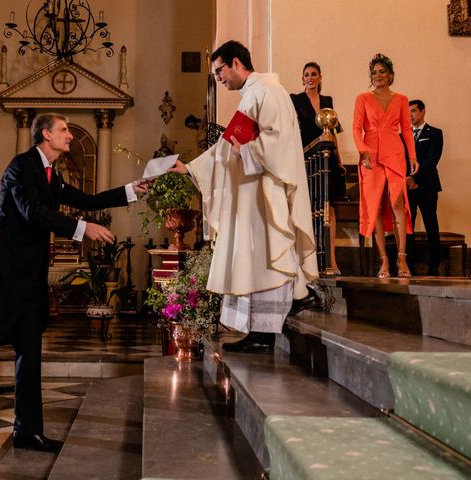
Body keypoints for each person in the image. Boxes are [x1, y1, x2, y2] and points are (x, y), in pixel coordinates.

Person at [0, 113, 150, 471]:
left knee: (29, 349)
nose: (70, 136)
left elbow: (88, 200)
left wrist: (131, 190)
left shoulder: (53, 174)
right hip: (2, 274)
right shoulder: (20, 168)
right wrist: (84, 229)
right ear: (45, 135)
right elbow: (32, 213)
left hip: (28, 275)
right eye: (65, 130)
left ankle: (28, 431)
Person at [169, 40, 318, 353]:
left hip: (264, 188)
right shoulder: (252, 93)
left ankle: (287, 309)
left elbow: (277, 141)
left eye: (219, 71)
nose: (218, 78)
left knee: (266, 253)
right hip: (251, 189)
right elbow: (227, 145)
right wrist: (191, 169)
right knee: (254, 256)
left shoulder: (267, 90)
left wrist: (247, 150)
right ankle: (260, 328)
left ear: (236, 63)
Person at [352, 53, 418, 278]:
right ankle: (384, 261)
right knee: (377, 208)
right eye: (374, 72)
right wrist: (363, 151)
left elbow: (407, 130)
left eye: (382, 72)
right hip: (370, 158)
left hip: (395, 154)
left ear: (390, 75)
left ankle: (402, 258)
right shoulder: (362, 98)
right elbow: (356, 128)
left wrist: (412, 156)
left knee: (398, 203)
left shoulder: (401, 99)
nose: (378, 75)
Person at [290, 62, 347, 275]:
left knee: (329, 208)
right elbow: (291, 130)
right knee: (308, 208)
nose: (310, 78)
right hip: (306, 159)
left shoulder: (327, 101)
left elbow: (333, 131)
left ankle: (331, 260)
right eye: (306, 75)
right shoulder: (295, 100)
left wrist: (338, 159)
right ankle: (309, 260)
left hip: (328, 160)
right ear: (302, 79)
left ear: (320, 77)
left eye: (314, 74)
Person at [405, 99, 443, 275]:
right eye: (408, 112)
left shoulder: (435, 133)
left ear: (422, 111)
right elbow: (402, 159)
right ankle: (409, 265)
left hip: (427, 185)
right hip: (408, 186)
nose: (410, 115)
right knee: (408, 226)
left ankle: (434, 266)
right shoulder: (403, 135)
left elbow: (432, 159)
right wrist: (407, 179)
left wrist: (414, 177)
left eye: (413, 111)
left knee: (431, 224)